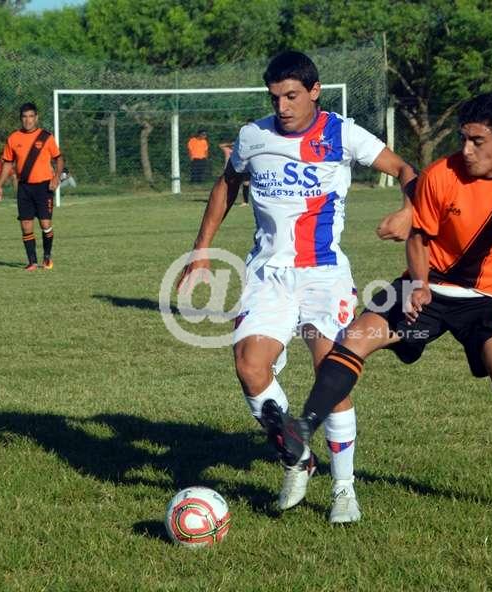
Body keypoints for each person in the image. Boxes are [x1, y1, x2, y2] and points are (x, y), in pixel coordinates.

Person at [263, 93, 492, 519]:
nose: (466, 150)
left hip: (487, 301)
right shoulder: (440, 174)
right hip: (429, 287)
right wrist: (419, 285)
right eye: (463, 139)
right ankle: (304, 427)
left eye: (477, 141)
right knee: (356, 336)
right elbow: (419, 236)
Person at [176, 51, 417, 524]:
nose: (282, 107)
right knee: (250, 366)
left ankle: (344, 489)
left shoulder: (342, 133)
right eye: (275, 98)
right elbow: (227, 184)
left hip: (324, 274)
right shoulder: (253, 136)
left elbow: (406, 170)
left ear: (314, 91)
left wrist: (410, 210)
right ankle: (298, 456)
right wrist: (201, 248)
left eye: (291, 96)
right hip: (268, 273)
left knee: (332, 373)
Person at [0, 102, 64, 271]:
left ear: (36, 118)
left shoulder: (46, 137)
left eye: (31, 116)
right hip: (24, 187)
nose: (28, 120)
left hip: (44, 187)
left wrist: (56, 177)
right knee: (26, 225)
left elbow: (59, 159)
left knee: (45, 224)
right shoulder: (13, 138)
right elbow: (7, 164)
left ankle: (47, 256)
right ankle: (32, 262)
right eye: (25, 117)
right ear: (21, 119)